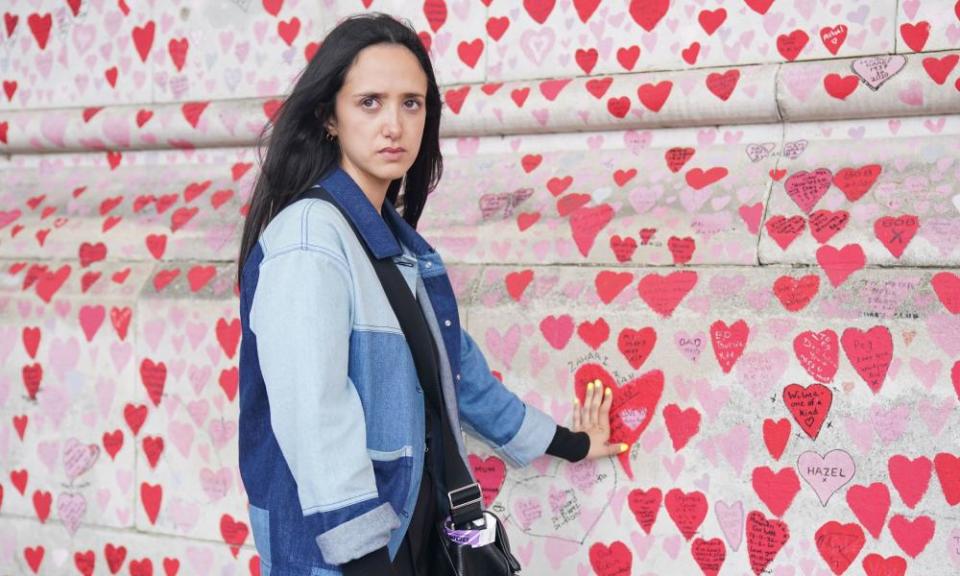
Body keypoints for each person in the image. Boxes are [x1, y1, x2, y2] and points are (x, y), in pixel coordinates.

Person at [236, 12, 628, 576]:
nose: (393, 125)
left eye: (411, 103)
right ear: (329, 116)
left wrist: (570, 442)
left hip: (416, 535)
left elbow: (457, 376)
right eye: (369, 102)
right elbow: (313, 417)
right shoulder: (309, 242)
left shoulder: (396, 247)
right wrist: (368, 564)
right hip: (347, 556)